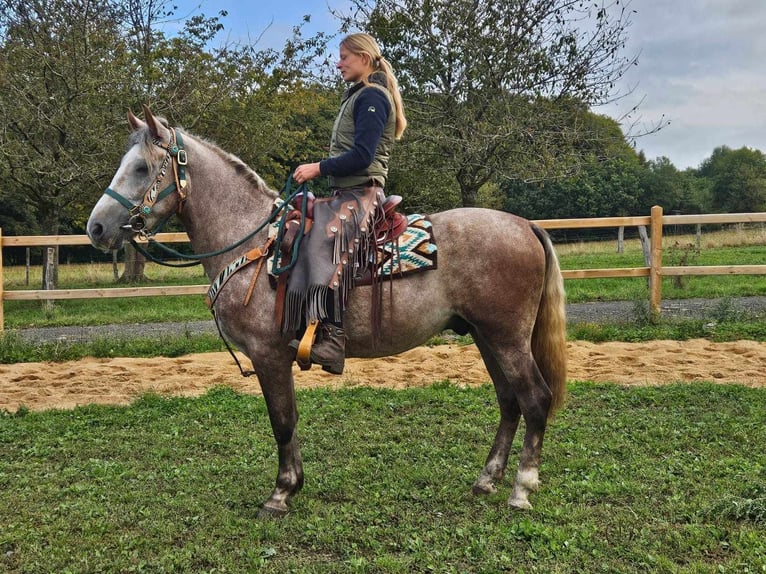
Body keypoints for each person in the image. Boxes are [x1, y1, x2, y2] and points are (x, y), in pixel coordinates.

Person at [286, 32, 407, 374]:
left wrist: (317, 168)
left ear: (364, 59)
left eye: (344, 57)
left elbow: (362, 156)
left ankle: (333, 339)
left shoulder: (372, 97)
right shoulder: (357, 96)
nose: (338, 63)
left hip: (363, 193)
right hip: (346, 192)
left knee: (322, 247)